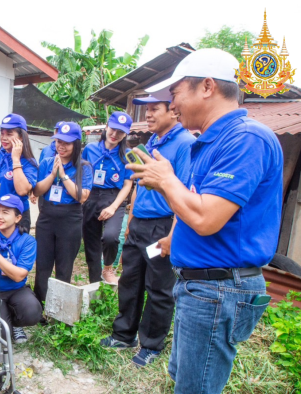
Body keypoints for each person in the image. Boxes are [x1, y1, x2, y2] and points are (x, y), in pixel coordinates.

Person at [132, 48, 282, 391]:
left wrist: (166, 179)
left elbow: (206, 218)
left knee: (195, 388)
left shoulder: (245, 138)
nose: (173, 106)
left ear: (208, 86)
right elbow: (199, 209)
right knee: (183, 378)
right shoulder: (213, 141)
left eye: (175, 94)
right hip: (201, 285)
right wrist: (175, 239)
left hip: (218, 289)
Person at [99, 95, 195, 367]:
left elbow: (186, 192)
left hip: (162, 226)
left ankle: (151, 345)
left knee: (159, 287)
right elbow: (140, 184)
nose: (148, 114)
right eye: (147, 110)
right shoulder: (152, 142)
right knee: (130, 280)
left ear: (173, 112)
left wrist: (172, 236)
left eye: (155, 109)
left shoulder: (185, 144)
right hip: (140, 223)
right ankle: (124, 335)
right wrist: (130, 218)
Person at [33, 122, 92, 304]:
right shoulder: (46, 162)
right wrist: (52, 175)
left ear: (76, 144)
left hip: (70, 217)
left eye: (66, 143)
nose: (61, 146)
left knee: (64, 266)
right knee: (43, 264)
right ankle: (40, 305)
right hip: (47, 215)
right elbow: (36, 191)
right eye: (58, 141)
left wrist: (63, 175)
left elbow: (81, 196)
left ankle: (58, 308)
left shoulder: (84, 166)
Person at [0, 194, 41, 344]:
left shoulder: (27, 241)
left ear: (18, 218)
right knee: (2, 339)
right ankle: (6, 323)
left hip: (16, 289)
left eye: (5, 212)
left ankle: (17, 324)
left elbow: (19, 276)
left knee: (32, 312)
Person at [81, 113, 134, 284]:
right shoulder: (90, 149)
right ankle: (94, 282)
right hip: (91, 196)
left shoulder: (128, 154)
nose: (115, 134)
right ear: (106, 127)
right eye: (113, 129)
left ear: (125, 134)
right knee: (91, 243)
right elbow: (82, 175)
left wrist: (113, 207)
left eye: (120, 132)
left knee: (111, 237)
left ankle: (108, 267)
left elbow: (127, 185)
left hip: (114, 198)